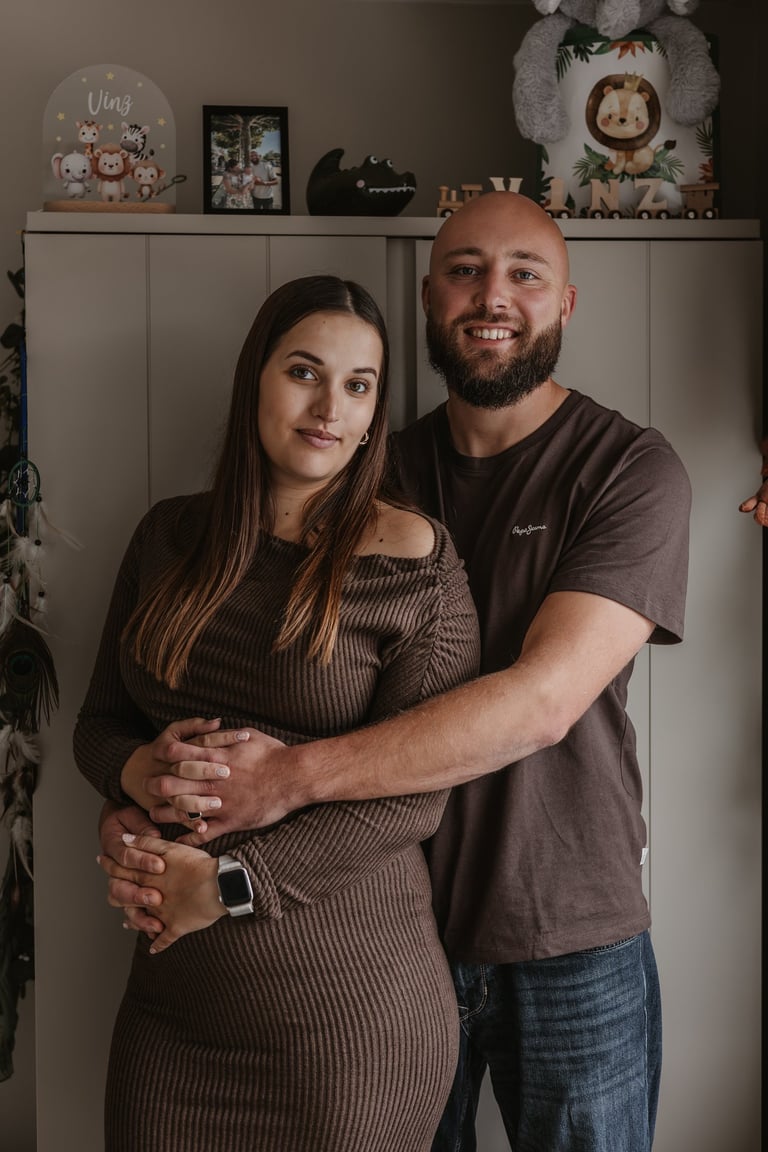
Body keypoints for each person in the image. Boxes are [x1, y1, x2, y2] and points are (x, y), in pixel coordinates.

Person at [104, 193, 691, 1152]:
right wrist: (145, 798)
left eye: (524, 274)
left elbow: (543, 703)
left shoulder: (628, 468)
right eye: (464, 271)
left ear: (566, 303)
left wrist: (278, 785)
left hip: (565, 927)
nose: (491, 296)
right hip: (388, 929)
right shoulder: (364, 472)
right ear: (427, 297)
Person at [74, 275, 481, 1152]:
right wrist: (135, 776)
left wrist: (229, 884)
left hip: (348, 1023)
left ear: (374, 415)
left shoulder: (416, 565)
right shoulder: (166, 538)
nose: (330, 407)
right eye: (304, 372)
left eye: (358, 385)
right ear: (254, 379)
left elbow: (417, 799)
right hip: (172, 1016)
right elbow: (99, 722)